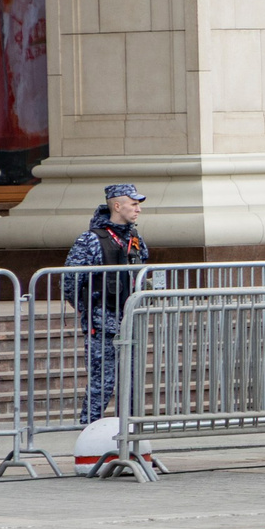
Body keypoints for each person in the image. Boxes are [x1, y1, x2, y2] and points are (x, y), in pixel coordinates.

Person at [62, 182, 150, 426]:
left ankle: (128, 432)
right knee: (102, 382)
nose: (138, 209)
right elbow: (70, 280)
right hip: (101, 322)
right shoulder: (91, 240)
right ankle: (89, 430)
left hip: (130, 320)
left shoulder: (135, 238)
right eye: (133, 204)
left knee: (131, 381)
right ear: (117, 205)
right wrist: (85, 307)